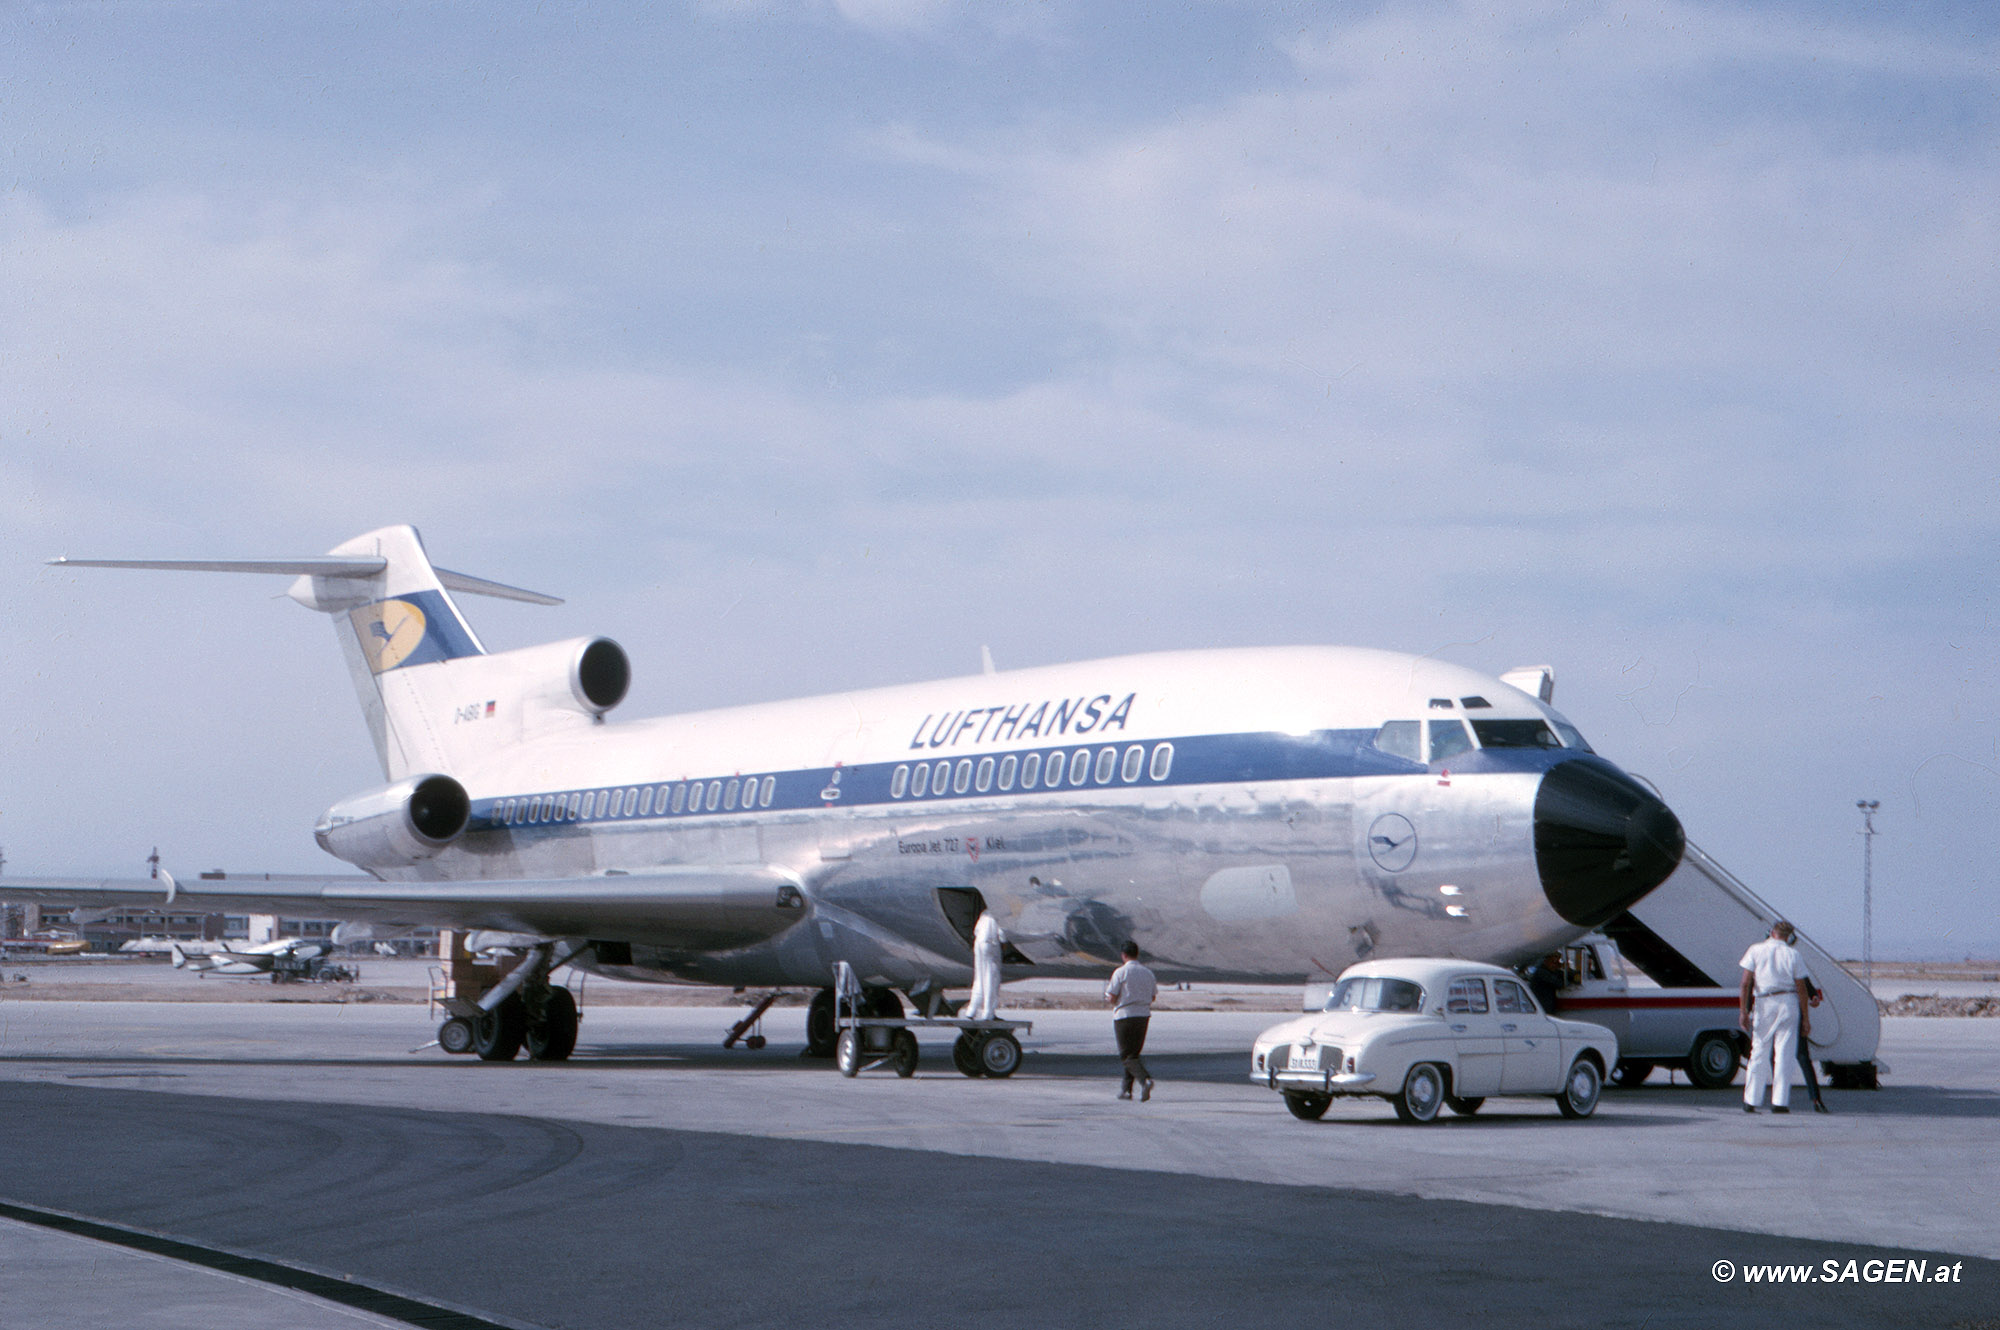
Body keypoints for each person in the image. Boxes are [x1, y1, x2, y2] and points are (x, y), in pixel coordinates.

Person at [1739, 921, 1812, 1113]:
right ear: (1789, 937)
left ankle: (1751, 1100)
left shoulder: (1755, 950)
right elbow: (1802, 988)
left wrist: (1743, 1011)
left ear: (1772, 933)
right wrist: (1806, 1018)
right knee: (1784, 1054)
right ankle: (1779, 1102)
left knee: (1759, 1051)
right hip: (1788, 1002)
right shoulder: (1793, 954)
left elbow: (1745, 983)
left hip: (1763, 1002)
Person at [1105, 940, 1157, 1101]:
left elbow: (1112, 996)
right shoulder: (1148, 972)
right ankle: (1126, 1090)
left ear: (1123, 955)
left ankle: (1145, 1080)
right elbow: (1153, 996)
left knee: (1126, 1056)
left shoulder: (1121, 972)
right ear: (1137, 954)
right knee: (1133, 1054)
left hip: (1125, 1015)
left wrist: (1113, 1000)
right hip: (1143, 1016)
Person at [963, 910, 1005, 1021]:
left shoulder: (985, 912)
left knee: (979, 978)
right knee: (991, 979)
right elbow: (1002, 936)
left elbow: (976, 931)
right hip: (990, 945)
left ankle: (971, 1010)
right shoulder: (1001, 913)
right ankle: (988, 1013)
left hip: (978, 944)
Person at [1795, 977, 1829, 1113]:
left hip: (1779, 1011)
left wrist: (1813, 994)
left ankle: (1778, 1099)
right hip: (1791, 1011)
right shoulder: (1792, 957)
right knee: (1802, 1056)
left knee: (1775, 1056)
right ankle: (1816, 1099)